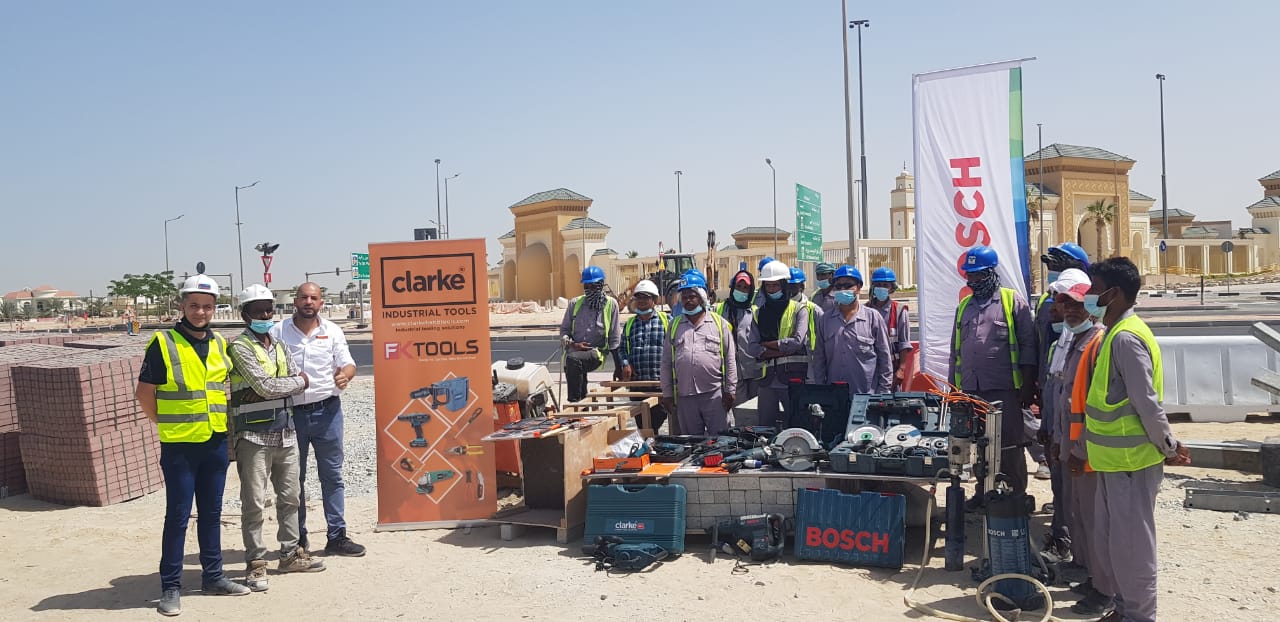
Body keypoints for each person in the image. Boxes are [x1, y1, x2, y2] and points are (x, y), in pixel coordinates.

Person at [1069, 257, 1190, 622]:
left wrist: (1169, 446)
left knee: (1133, 549)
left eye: (1093, 289)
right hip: (1111, 463)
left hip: (1133, 464)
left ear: (1114, 294)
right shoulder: (1112, 335)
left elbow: (1146, 403)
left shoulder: (1125, 339)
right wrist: (1082, 449)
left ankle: (1139, 615)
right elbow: (1101, 405)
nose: (1088, 296)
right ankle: (1123, 609)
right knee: (1114, 545)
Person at [135, 274, 250, 616]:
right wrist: (168, 424)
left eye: (208, 306)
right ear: (182, 305)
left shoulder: (218, 345)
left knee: (212, 513)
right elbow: (144, 395)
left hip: (215, 443)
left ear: (215, 308)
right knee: (179, 516)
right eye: (195, 306)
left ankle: (213, 577)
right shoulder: (163, 342)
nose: (201, 312)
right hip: (180, 448)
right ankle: (170, 586)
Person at [228, 285, 324, 592]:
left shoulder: (279, 344)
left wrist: (292, 382)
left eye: (268, 310)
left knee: (291, 498)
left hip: (285, 432)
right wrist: (297, 382)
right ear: (245, 315)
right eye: (258, 312)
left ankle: (290, 553)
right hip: (254, 435)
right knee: (254, 503)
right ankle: (256, 563)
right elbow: (266, 386)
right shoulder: (240, 347)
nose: (265, 316)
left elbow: (288, 380)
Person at [272, 283, 365, 557]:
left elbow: (348, 364)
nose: (308, 302)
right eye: (303, 297)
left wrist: (346, 375)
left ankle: (337, 536)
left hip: (328, 413)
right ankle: (297, 540)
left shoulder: (332, 331)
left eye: (313, 298)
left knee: (332, 476)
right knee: (292, 479)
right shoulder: (279, 331)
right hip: (290, 415)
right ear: (295, 302)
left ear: (321, 303)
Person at [1045, 269, 1111, 614]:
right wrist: (1059, 440)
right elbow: (1064, 398)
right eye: (1062, 302)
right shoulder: (1073, 342)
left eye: (1075, 303)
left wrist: (1080, 449)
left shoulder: (1098, 343)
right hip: (1069, 447)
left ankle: (1105, 588)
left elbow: (1093, 406)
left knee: (1095, 521)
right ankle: (1088, 571)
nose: (1068, 309)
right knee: (1078, 516)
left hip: (1088, 453)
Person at [948, 245, 1038, 495]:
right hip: (971, 391)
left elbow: (1028, 347)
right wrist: (954, 391)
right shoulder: (964, 306)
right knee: (979, 446)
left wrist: (1027, 387)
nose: (974, 280)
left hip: (1005, 390)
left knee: (1009, 446)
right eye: (970, 275)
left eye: (978, 274)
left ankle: (1015, 495)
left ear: (991, 273)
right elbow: (955, 352)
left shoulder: (1012, 302)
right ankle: (983, 493)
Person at [1031, 243, 1091, 480]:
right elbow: (1038, 342)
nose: (1062, 307)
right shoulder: (1046, 299)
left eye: (1058, 266)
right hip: (1050, 383)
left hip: (1072, 390)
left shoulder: (1089, 311)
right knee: (1053, 443)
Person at [660, 272, 737, 435]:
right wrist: (666, 393)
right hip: (684, 397)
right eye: (684, 296)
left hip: (714, 396)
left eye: (692, 296)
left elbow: (730, 359)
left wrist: (730, 390)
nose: (687, 300)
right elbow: (666, 362)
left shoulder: (719, 324)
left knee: (720, 443)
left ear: (702, 297)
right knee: (691, 444)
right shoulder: (674, 326)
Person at [744, 260, 814, 428]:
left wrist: (769, 345)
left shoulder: (799, 309)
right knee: (765, 426)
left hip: (793, 378)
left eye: (775, 285)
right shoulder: (759, 313)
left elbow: (798, 342)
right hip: (767, 380)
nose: (772, 289)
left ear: (784, 285)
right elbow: (752, 347)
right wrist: (783, 349)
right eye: (768, 286)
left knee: (796, 424)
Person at [810, 265, 892, 395]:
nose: (843, 290)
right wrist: (821, 392)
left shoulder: (873, 318)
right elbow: (819, 359)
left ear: (858, 287)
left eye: (848, 286)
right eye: (838, 286)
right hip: (834, 398)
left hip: (867, 397)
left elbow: (885, 359)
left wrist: (882, 393)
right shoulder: (825, 320)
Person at [559, 266, 621, 403]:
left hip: (596, 352)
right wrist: (572, 344)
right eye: (587, 286)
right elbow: (564, 331)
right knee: (575, 369)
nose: (590, 290)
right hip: (573, 352)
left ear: (601, 285)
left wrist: (619, 367)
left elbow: (615, 339)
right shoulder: (575, 304)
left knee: (574, 361)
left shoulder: (611, 305)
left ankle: (574, 404)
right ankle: (582, 409)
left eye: (594, 286)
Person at [619, 279, 669, 432]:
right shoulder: (630, 325)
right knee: (642, 425)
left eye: (646, 297)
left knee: (657, 419)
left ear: (654, 300)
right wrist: (625, 363)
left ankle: (652, 446)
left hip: (659, 384)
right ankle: (648, 450)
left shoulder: (666, 321)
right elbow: (622, 349)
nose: (641, 301)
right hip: (637, 386)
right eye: (638, 297)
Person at [714, 269, 763, 415]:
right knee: (741, 414)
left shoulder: (755, 311)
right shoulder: (721, 309)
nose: (741, 291)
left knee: (756, 413)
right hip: (733, 372)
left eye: (745, 288)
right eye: (739, 287)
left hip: (755, 372)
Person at [865, 267, 912, 390]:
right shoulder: (865, 310)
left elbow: (904, 343)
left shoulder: (899, 310)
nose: (881, 288)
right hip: (869, 367)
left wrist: (901, 369)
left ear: (891, 288)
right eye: (878, 284)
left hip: (892, 368)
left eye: (885, 285)